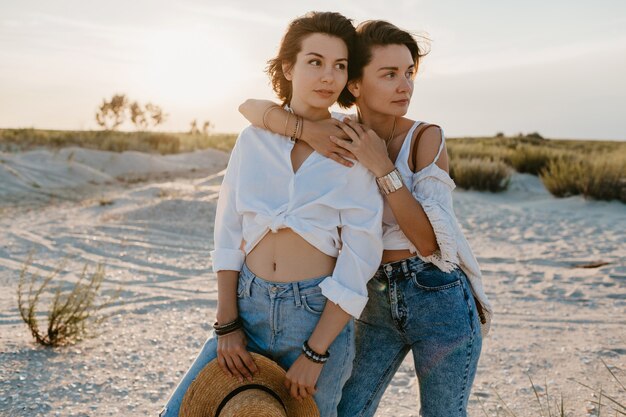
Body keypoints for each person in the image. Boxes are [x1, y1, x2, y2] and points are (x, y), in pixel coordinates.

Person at [238, 19, 492, 417]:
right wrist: (302, 128)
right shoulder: (337, 133)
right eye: (389, 74)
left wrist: (381, 168)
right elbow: (250, 109)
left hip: (437, 296)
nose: (404, 85)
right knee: (347, 410)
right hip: (370, 299)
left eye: (409, 73)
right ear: (354, 85)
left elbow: (428, 243)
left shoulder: (425, 138)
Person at [158, 12, 383, 417]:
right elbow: (227, 231)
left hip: (316, 317)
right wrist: (226, 323)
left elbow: (359, 256)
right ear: (288, 67)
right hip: (249, 304)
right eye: (315, 61)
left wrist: (316, 352)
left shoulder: (354, 145)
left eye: (340, 65)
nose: (327, 76)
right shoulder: (253, 139)